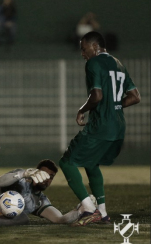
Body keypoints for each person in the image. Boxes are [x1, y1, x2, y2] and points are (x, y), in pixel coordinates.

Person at [58, 31, 141, 227]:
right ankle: (102, 212)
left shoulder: (93, 63)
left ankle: (88, 207)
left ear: (95, 47)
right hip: (118, 126)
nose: (82, 53)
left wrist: (81, 110)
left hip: (100, 125)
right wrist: (114, 106)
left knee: (67, 162)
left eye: (83, 48)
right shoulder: (118, 63)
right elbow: (135, 96)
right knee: (91, 163)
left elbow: (96, 96)